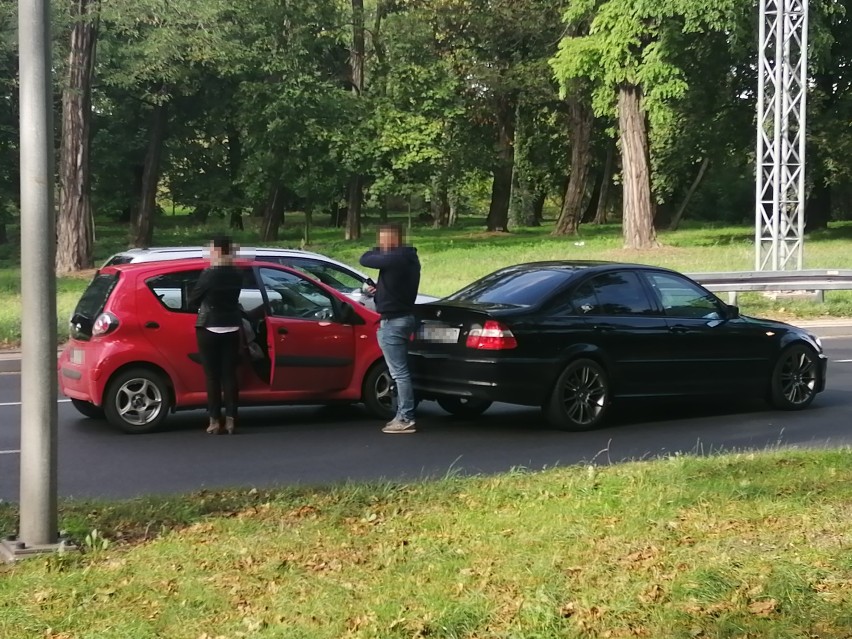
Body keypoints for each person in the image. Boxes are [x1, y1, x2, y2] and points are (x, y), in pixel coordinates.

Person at [359, 223, 421, 434]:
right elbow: (395, 290)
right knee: (401, 371)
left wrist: (379, 251)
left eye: (385, 240)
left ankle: (405, 417)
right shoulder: (405, 259)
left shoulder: (396, 258)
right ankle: (405, 414)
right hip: (401, 317)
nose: (381, 244)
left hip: (394, 321)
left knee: (399, 373)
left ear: (394, 240)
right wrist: (378, 293)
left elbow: (365, 258)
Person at [188, 236, 244, 435]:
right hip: (232, 327)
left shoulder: (208, 274)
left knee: (212, 377)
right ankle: (231, 419)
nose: (209, 252)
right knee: (229, 375)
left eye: (211, 249)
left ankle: (213, 421)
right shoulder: (238, 273)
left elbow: (192, 300)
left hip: (209, 327)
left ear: (219, 251)